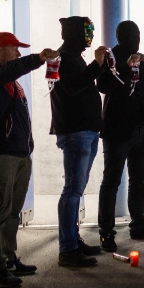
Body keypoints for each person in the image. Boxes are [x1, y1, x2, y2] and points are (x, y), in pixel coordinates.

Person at [0, 32, 59, 287]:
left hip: (20, 153)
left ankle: (8, 259)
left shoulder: (9, 80)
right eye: (14, 49)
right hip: (1, 153)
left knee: (12, 212)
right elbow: (8, 72)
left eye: (20, 50)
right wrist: (38, 58)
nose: (18, 54)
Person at [97, 21, 144, 253]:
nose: (134, 38)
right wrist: (125, 68)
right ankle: (106, 232)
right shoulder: (111, 58)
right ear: (119, 36)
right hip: (117, 129)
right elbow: (103, 85)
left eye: (136, 34)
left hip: (141, 129)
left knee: (139, 181)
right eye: (129, 34)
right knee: (112, 181)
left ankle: (138, 224)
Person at [50, 16, 108, 267]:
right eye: (86, 31)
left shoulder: (73, 57)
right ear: (73, 33)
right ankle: (68, 248)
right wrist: (96, 64)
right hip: (76, 132)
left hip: (84, 131)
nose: (90, 35)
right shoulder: (63, 57)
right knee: (72, 190)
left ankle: (73, 241)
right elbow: (73, 87)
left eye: (92, 30)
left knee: (76, 189)